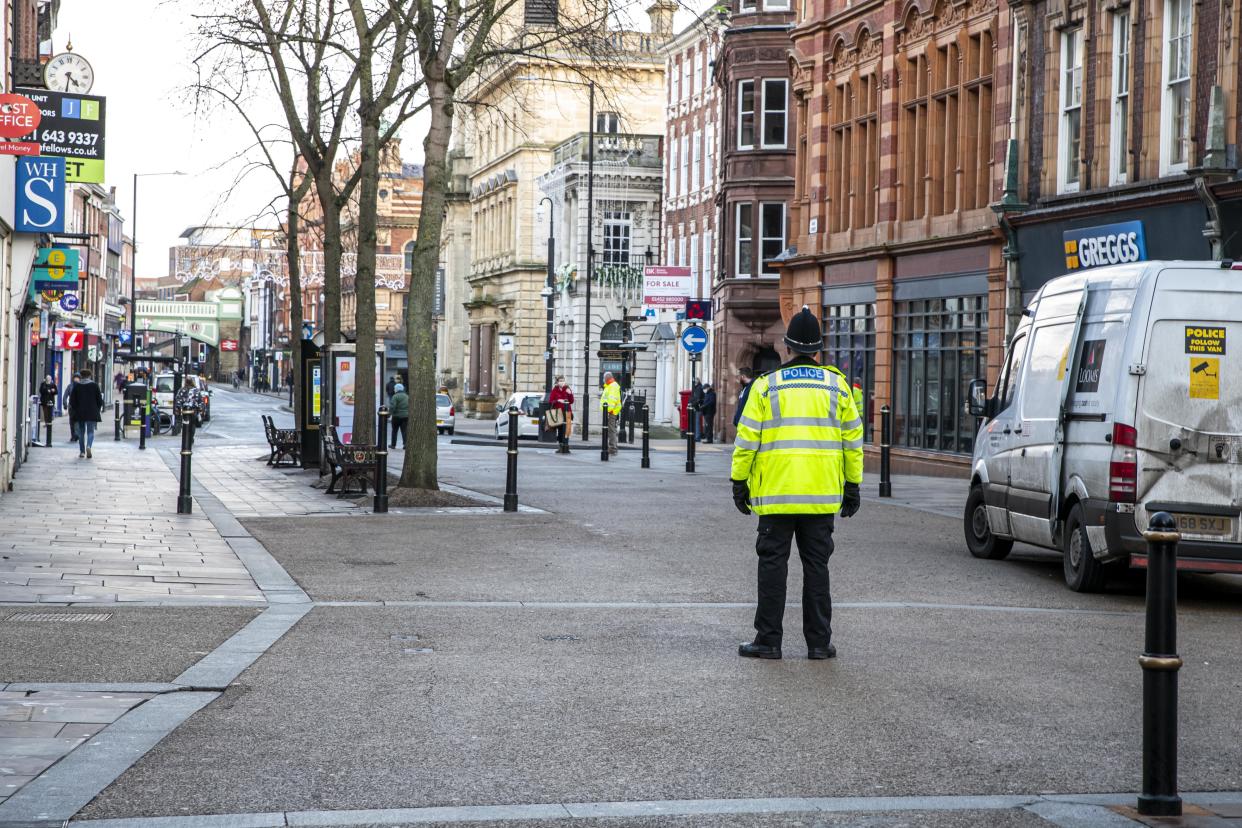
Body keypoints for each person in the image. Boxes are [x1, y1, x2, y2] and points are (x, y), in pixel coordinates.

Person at [731, 305, 863, 661]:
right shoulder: (838, 387)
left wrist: (739, 482)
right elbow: (853, 441)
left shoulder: (765, 387)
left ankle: (768, 640)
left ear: (787, 347)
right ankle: (819, 643)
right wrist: (852, 486)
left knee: (772, 566)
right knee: (817, 569)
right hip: (820, 497)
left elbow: (746, 441)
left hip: (776, 495)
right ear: (818, 350)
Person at [68, 369, 105, 459]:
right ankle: (88, 446)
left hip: (80, 413)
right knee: (90, 431)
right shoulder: (94, 386)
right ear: (89, 376)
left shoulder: (77, 386)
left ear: (81, 376)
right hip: (92, 412)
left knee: (81, 432)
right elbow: (100, 400)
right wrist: (97, 409)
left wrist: (76, 409)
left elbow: (72, 401)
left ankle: (82, 452)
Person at [548, 376, 575, 453]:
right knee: (560, 431)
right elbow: (551, 401)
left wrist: (570, 394)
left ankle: (566, 446)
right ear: (557, 382)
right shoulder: (555, 390)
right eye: (560, 381)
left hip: (568, 412)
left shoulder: (567, 389)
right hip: (559, 412)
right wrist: (558, 400)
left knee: (567, 431)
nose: (562, 382)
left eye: (563, 381)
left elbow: (571, 401)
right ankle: (560, 446)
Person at [600, 372, 621, 456]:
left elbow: (612, 400)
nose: (603, 380)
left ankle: (612, 448)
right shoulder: (609, 386)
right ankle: (612, 446)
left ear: (607, 378)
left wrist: (608, 411)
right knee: (610, 430)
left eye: (603, 378)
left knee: (611, 430)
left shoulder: (613, 386)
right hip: (609, 411)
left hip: (610, 412)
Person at [389, 383, 409, 448]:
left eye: (395, 388)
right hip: (405, 417)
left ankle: (393, 444)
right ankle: (405, 444)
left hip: (396, 416)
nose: (394, 389)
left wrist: (389, 414)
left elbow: (392, 407)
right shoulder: (406, 396)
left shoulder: (395, 396)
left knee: (394, 431)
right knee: (404, 431)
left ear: (397, 389)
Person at [62, 372, 80, 443]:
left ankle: (77, 434)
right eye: (75, 378)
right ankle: (73, 436)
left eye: (78, 378)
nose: (76, 379)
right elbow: (65, 396)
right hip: (71, 407)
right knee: (72, 422)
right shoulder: (70, 386)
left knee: (78, 422)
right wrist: (65, 404)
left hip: (79, 408)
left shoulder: (82, 386)